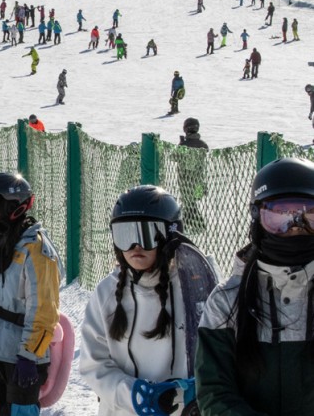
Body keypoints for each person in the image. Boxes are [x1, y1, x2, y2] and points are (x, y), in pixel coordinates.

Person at [196, 158, 314, 414]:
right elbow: (213, 391)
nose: (294, 228)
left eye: (307, 216)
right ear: (257, 220)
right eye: (280, 216)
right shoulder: (228, 300)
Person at [82, 186, 213, 416]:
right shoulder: (107, 293)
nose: (135, 247)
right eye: (125, 235)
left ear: (170, 236)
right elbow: (93, 365)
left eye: (146, 234)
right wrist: (135, 394)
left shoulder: (196, 286)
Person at [0, 172, 61, 416]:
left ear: (10, 205)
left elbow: (43, 308)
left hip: (19, 356)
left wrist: (29, 355)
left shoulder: (35, 248)